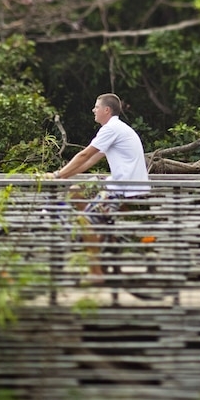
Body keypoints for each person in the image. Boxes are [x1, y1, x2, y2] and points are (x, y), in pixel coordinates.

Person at [48, 93, 150, 280]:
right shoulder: (116, 128)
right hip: (119, 184)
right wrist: (63, 177)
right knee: (75, 191)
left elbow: (84, 156)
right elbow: (90, 162)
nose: (93, 110)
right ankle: (101, 236)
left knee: (84, 223)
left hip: (122, 190)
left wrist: (57, 175)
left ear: (106, 110)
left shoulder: (111, 128)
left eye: (96, 106)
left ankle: (96, 271)